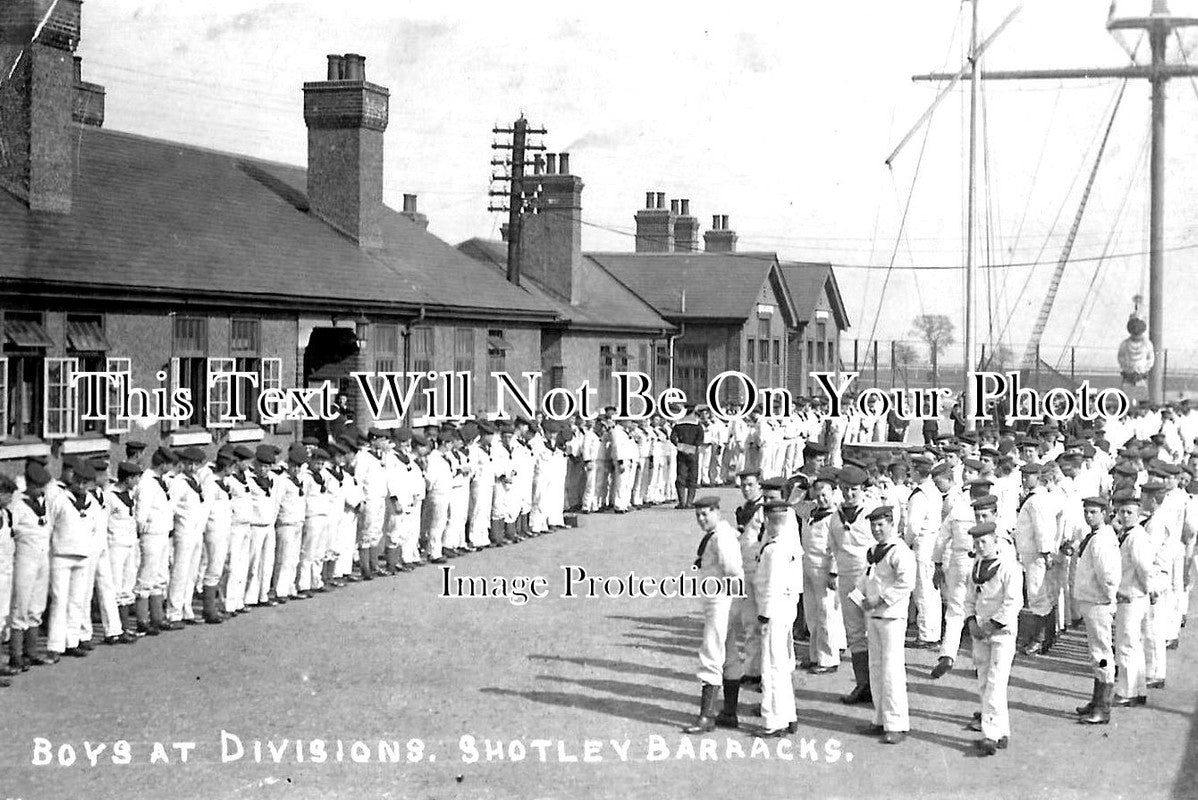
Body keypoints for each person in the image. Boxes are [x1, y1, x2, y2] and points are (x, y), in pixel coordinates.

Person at [682, 496, 745, 734]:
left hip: (722, 600)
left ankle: (706, 717)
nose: (701, 519)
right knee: (729, 655)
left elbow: (731, 569)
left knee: (711, 653)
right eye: (698, 515)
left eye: (706, 513)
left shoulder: (722, 536)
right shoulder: (718, 534)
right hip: (722, 599)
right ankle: (729, 712)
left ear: (717, 511)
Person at [856, 505, 916, 744]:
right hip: (873, 617)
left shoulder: (900, 551)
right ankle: (880, 719)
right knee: (876, 668)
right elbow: (866, 579)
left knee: (892, 671)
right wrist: (859, 599)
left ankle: (897, 724)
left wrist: (880, 599)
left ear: (892, 524)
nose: (877, 529)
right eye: (873, 525)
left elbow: (906, 583)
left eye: (881, 524)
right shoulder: (873, 550)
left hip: (892, 616)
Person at [964, 521, 1023, 756]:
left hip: (1001, 632)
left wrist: (991, 625)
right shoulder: (975, 567)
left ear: (995, 541)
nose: (979, 546)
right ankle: (1002, 731)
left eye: (984, 542)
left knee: (996, 683)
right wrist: (971, 622)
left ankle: (989, 734)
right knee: (983, 681)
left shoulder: (1009, 567)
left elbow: (1013, 602)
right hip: (980, 632)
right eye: (976, 543)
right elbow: (969, 599)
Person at [754, 499, 803, 736]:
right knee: (782, 664)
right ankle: (789, 715)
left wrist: (764, 614)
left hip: (773, 610)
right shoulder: (790, 543)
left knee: (771, 666)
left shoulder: (774, 549)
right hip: (787, 608)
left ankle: (774, 720)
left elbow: (771, 584)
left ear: (766, 520)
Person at [1073, 496, 1121, 724]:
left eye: (1093, 512)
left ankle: (1103, 707)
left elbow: (1108, 575)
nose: (1088, 515)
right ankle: (1096, 700)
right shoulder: (1094, 536)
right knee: (1096, 653)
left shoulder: (1102, 540)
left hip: (1098, 603)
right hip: (1091, 601)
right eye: (1086, 511)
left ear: (1105, 513)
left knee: (1102, 654)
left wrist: (1108, 600)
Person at [1112, 489, 1153, 707]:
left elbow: (1144, 568)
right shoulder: (1127, 534)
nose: (1125, 515)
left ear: (1138, 514)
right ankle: (1137, 690)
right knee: (1133, 644)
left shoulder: (1136, 537)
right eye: (1122, 511)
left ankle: (1127, 692)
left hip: (1132, 596)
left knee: (1127, 645)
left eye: (1130, 512)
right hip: (1130, 595)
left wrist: (1147, 590)